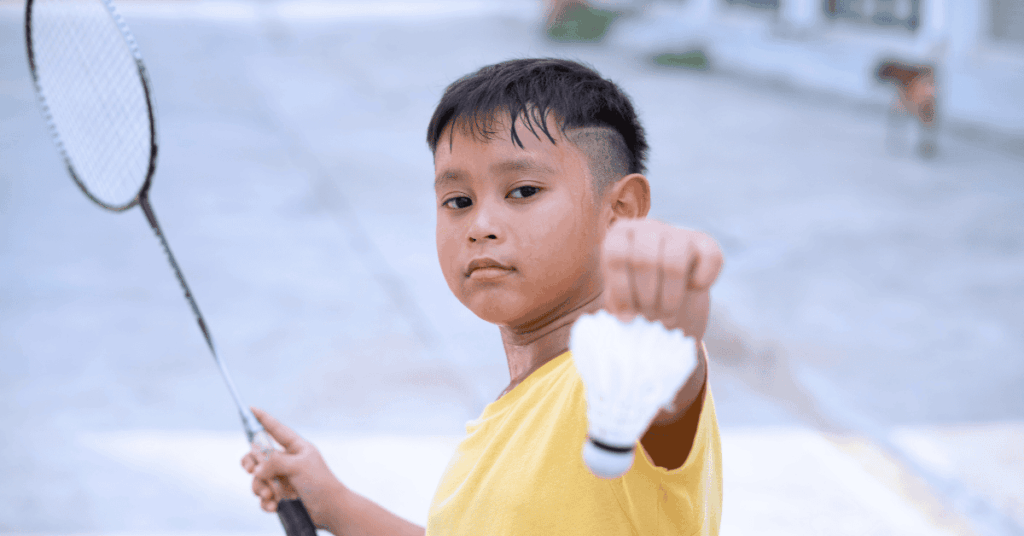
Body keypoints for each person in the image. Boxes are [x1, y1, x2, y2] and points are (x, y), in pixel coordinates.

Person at [241, 58, 724, 536]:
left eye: (523, 191)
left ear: (621, 209)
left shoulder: (617, 378)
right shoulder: (515, 408)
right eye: (458, 201)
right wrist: (337, 505)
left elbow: (664, 379)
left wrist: (667, 308)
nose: (481, 226)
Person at [875, 59, 938, 157]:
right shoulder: (907, 84)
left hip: (919, 87)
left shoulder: (917, 84)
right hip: (917, 88)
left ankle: (927, 143)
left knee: (925, 117)